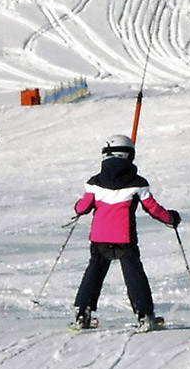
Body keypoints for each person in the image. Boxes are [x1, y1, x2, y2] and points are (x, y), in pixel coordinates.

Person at [71, 135, 180, 332]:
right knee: (133, 274)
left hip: (99, 237)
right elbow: (153, 208)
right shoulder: (137, 183)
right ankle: (144, 315)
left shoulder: (95, 182)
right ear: (128, 155)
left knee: (94, 271)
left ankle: (82, 313)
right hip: (124, 238)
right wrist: (171, 218)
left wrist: (78, 207)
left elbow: (82, 207)